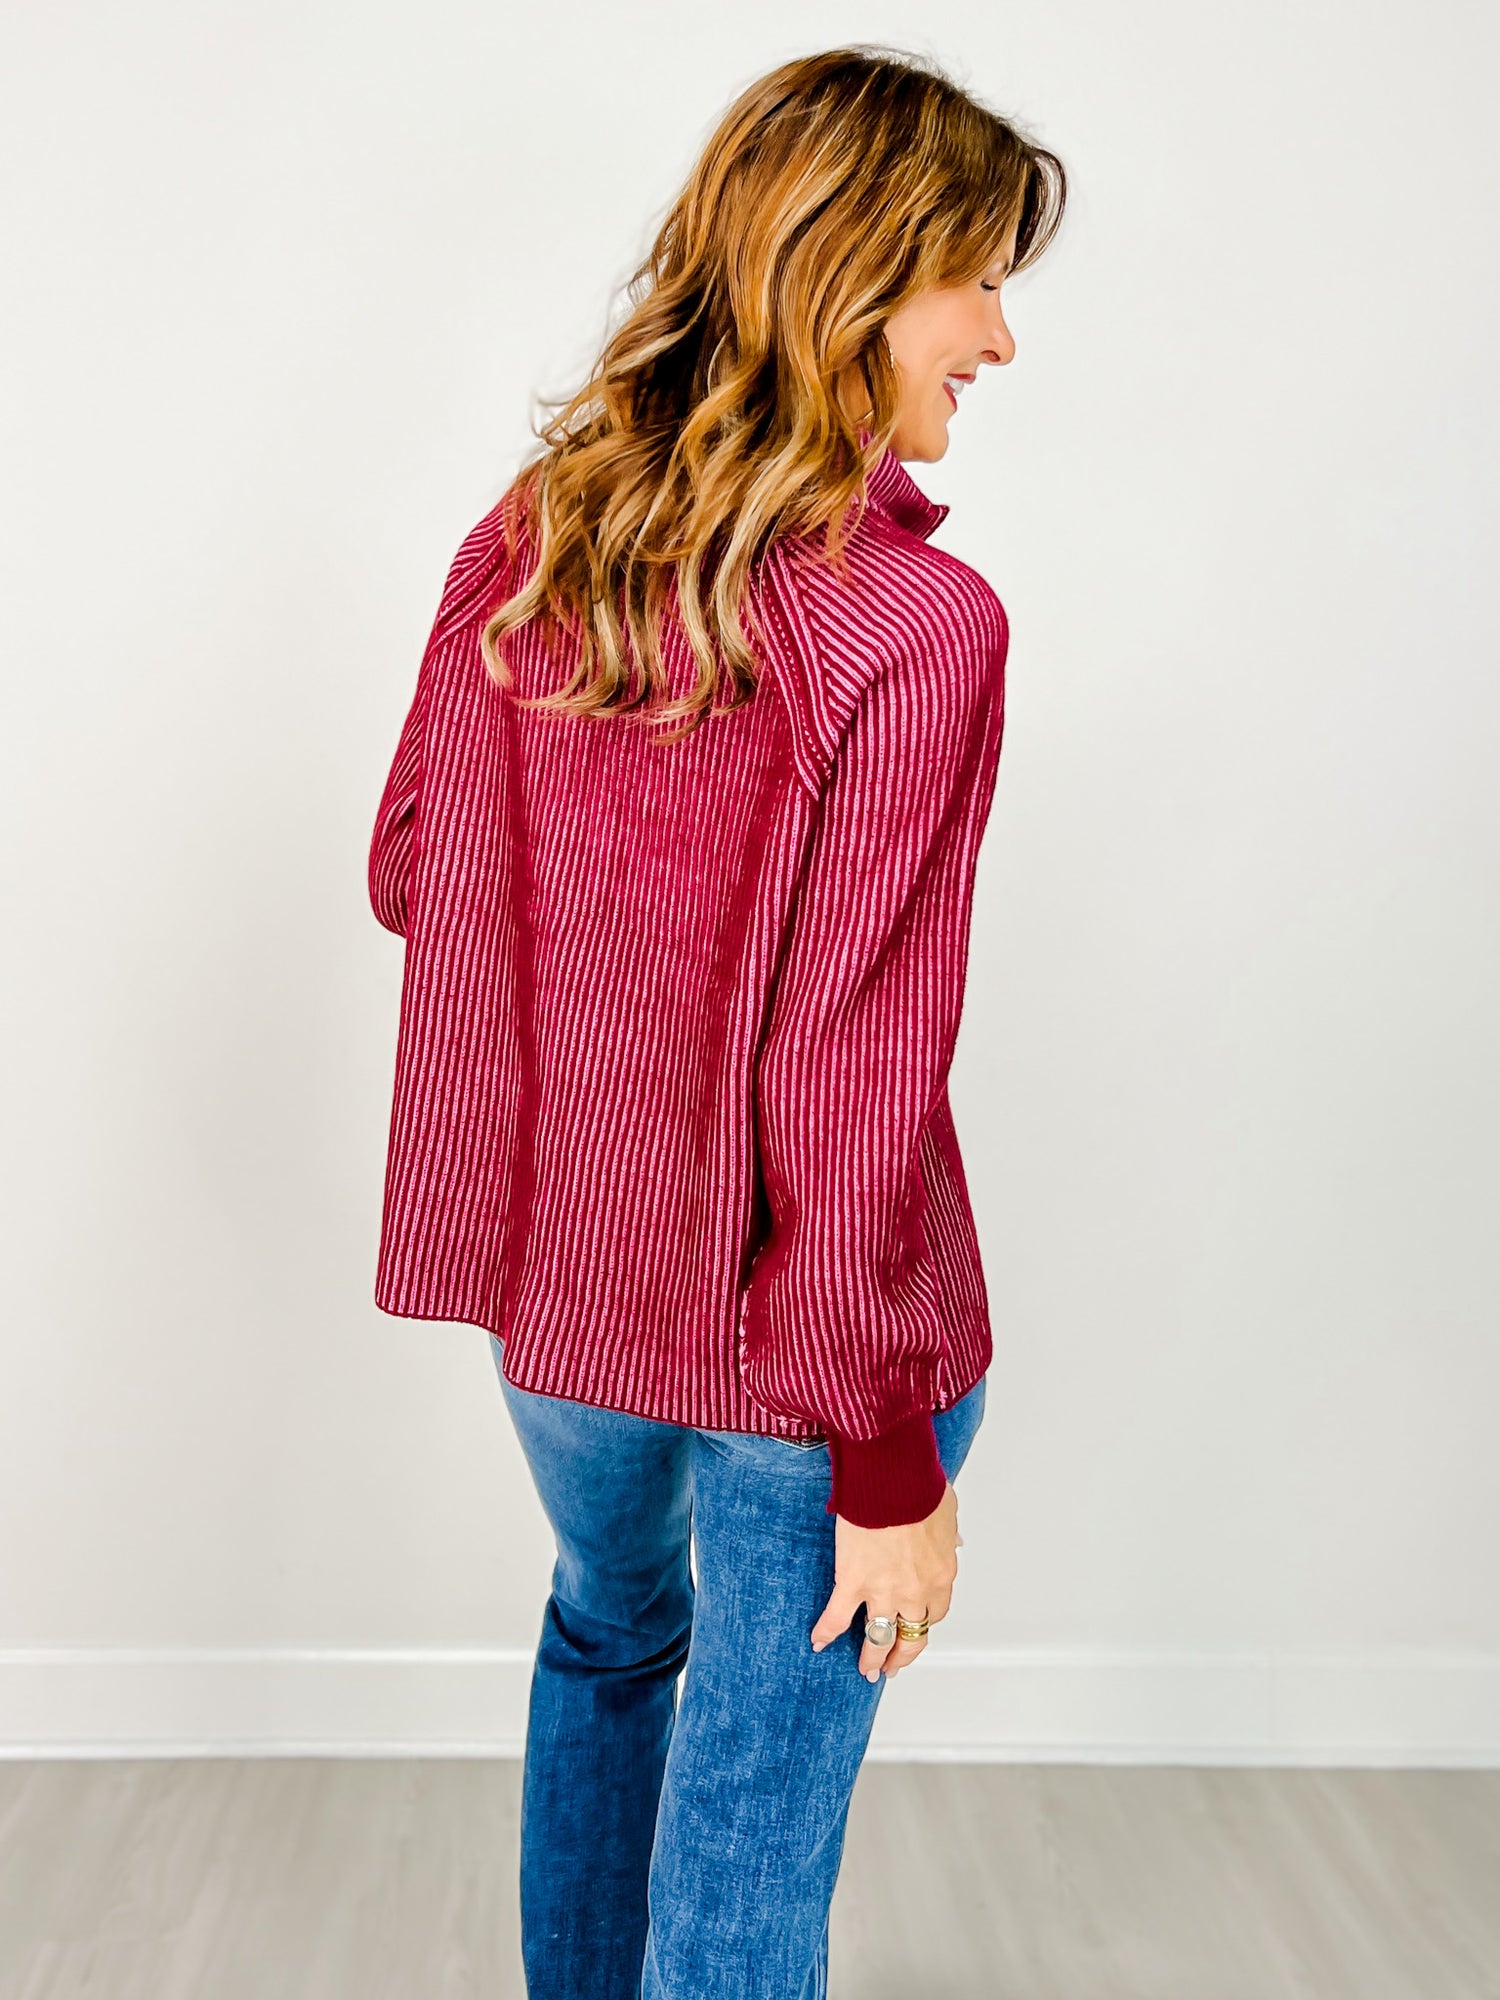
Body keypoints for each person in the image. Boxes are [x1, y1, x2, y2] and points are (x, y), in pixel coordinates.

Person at [366, 43, 1066, 2000]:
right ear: (854, 276)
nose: (999, 338)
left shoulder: (535, 534)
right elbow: (851, 1072)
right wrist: (886, 1460)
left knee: (609, 1635)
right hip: (810, 1351)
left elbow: (411, 864)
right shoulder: (916, 629)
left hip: (565, 1289)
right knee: (745, 1887)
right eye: (974, 280)